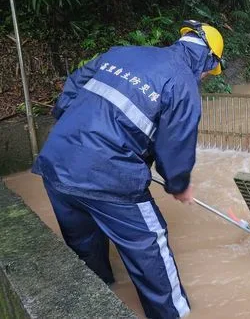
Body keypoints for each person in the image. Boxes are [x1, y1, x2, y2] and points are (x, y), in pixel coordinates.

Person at [32, 20, 224, 319]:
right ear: (207, 58)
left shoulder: (122, 53)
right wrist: (178, 184)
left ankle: (98, 301)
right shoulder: (183, 83)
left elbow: (70, 92)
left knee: (84, 248)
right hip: (109, 175)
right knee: (151, 243)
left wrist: (78, 134)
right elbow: (175, 145)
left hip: (57, 161)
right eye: (208, 73)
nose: (204, 78)